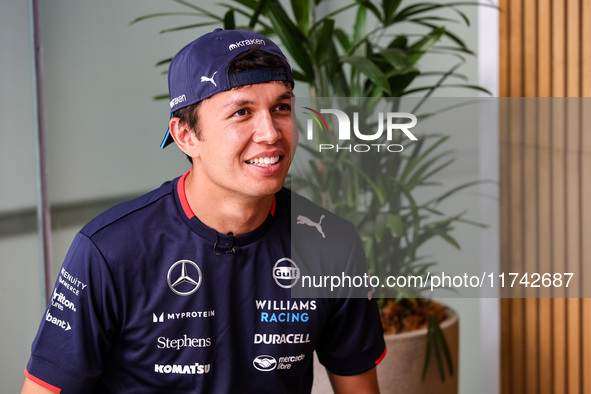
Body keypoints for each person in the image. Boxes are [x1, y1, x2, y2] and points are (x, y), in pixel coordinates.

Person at [22, 29, 386, 394]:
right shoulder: (108, 251)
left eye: (281, 107)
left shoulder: (332, 244)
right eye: (242, 112)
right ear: (185, 136)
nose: (271, 133)